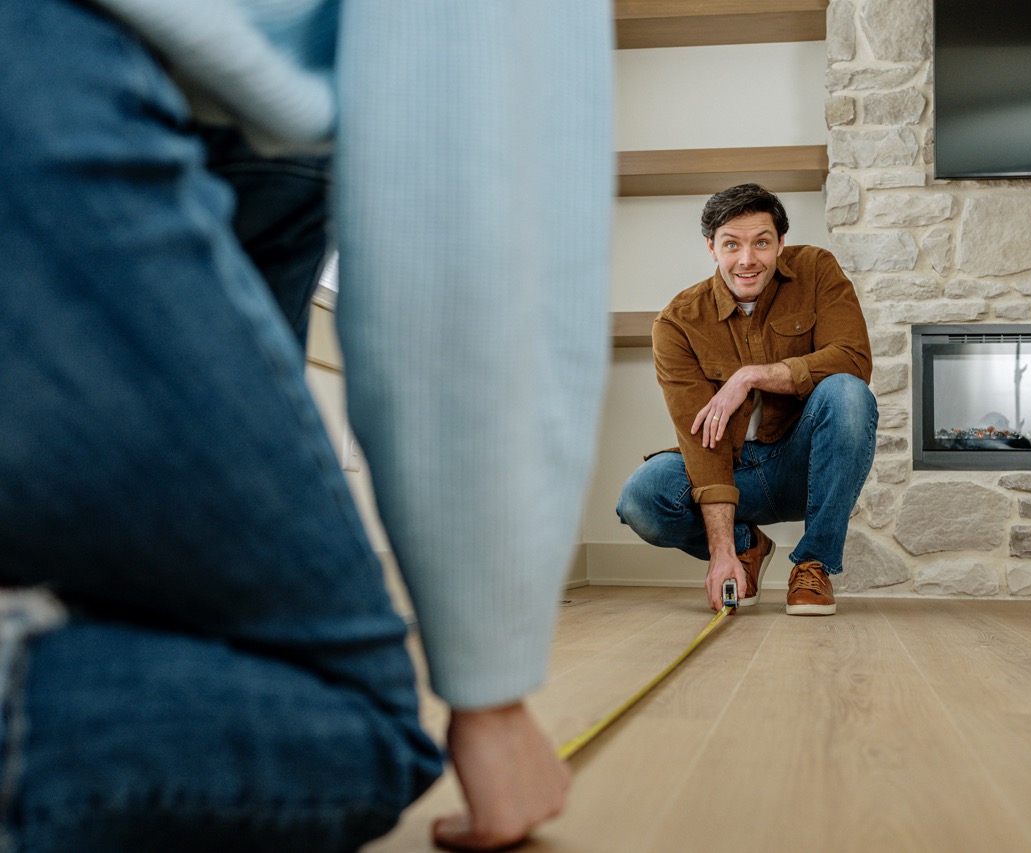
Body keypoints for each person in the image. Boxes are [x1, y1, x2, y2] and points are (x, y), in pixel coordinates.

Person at [0, 1, 613, 851]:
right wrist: (491, 691)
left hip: (199, 155)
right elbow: (457, 194)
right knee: (348, 726)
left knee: (179, 639)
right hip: (52, 92)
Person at [616, 184, 878, 617]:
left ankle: (813, 565)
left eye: (762, 242)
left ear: (780, 243)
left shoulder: (816, 270)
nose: (747, 259)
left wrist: (751, 376)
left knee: (848, 391)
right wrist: (722, 552)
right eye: (731, 244)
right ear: (711, 248)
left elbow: (852, 359)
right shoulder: (678, 323)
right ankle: (746, 547)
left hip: (803, 464)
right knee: (642, 498)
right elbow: (701, 440)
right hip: (733, 472)